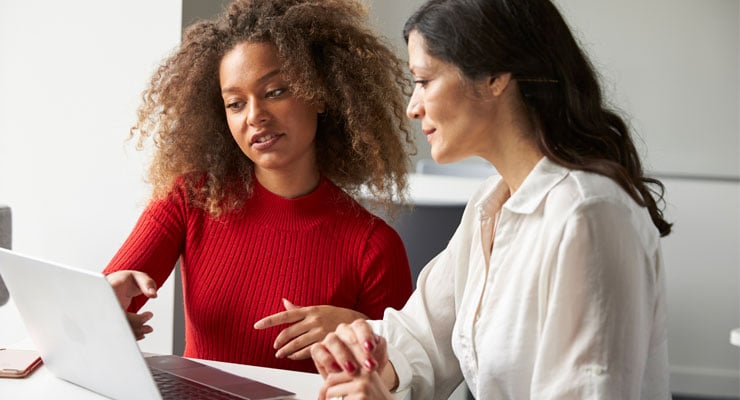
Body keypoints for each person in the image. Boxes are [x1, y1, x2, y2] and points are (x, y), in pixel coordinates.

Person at [310, 0, 673, 398]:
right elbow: (422, 336)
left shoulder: (587, 214)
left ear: (495, 77)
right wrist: (371, 356)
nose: (413, 108)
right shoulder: (490, 204)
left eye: (425, 80)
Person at [103, 0, 414, 374]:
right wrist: (106, 308)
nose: (255, 116)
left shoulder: (374, 246)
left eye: (276, 91)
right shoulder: (191, 199)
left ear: (319, 94)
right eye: (235, 103)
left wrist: (366, 331)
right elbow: (101, 309)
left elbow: (398, 383)